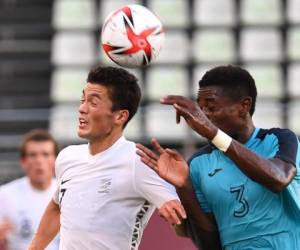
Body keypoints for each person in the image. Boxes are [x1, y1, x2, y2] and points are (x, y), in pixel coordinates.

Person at [137, 65, 300, 250]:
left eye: (211, 108)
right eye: (200, 109)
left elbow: (279, 179)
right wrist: (184, 187)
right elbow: (210, 245)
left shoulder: (278, 139)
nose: (203, 117)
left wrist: (215, 134)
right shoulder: (198, 164)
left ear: (243, 106)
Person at [29, 65, 186, 250]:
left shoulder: (138, 162)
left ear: (120, 116)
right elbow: (57, 207)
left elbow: (183, 225)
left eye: (93, 103)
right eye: (82, 100)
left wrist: (179, 205)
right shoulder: (67, 157)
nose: (82, 108)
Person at [0, 129, 60, 250]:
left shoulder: (69, 193)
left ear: (56, 160)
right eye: (33, 155)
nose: (39, 161)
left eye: (45, 154)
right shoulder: (5, 194)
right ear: (23, 161)